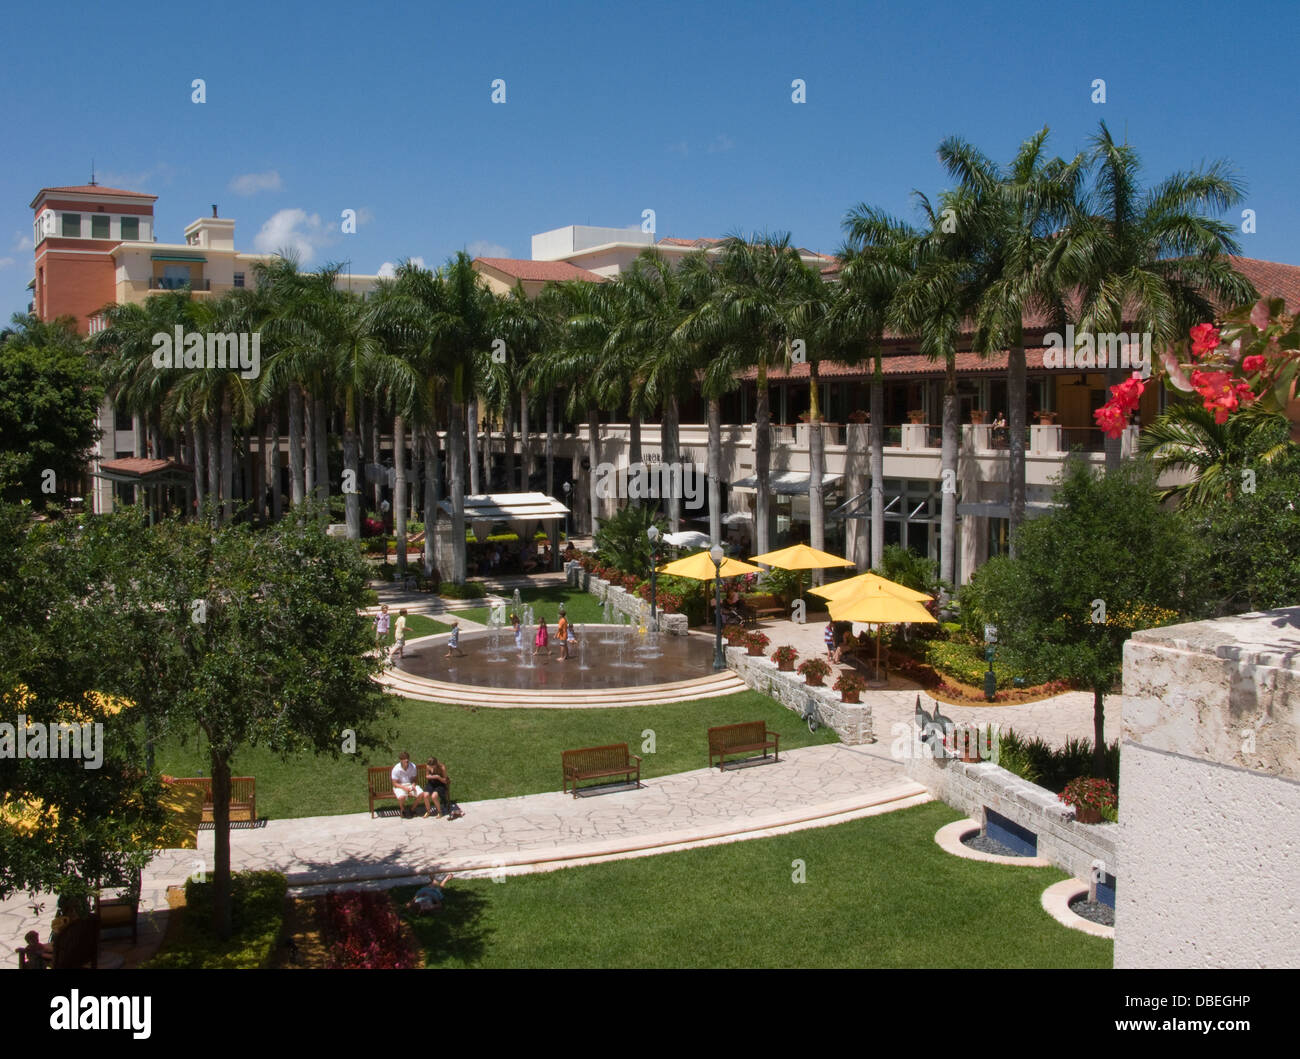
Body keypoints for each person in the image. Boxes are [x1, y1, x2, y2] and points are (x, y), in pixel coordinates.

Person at [391, 751, 430, 818]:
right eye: (405, 759)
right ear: (401, 760)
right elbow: (394, 783)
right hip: (400, 786)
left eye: (407, 758)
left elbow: (415, 779)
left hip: (410, 784)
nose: (407, 760)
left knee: (421, 794)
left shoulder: (413, 766)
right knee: (401, 797)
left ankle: (412, 809)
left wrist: (413, 785)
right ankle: (403, 810)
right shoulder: (396, 769)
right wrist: (404, 788)